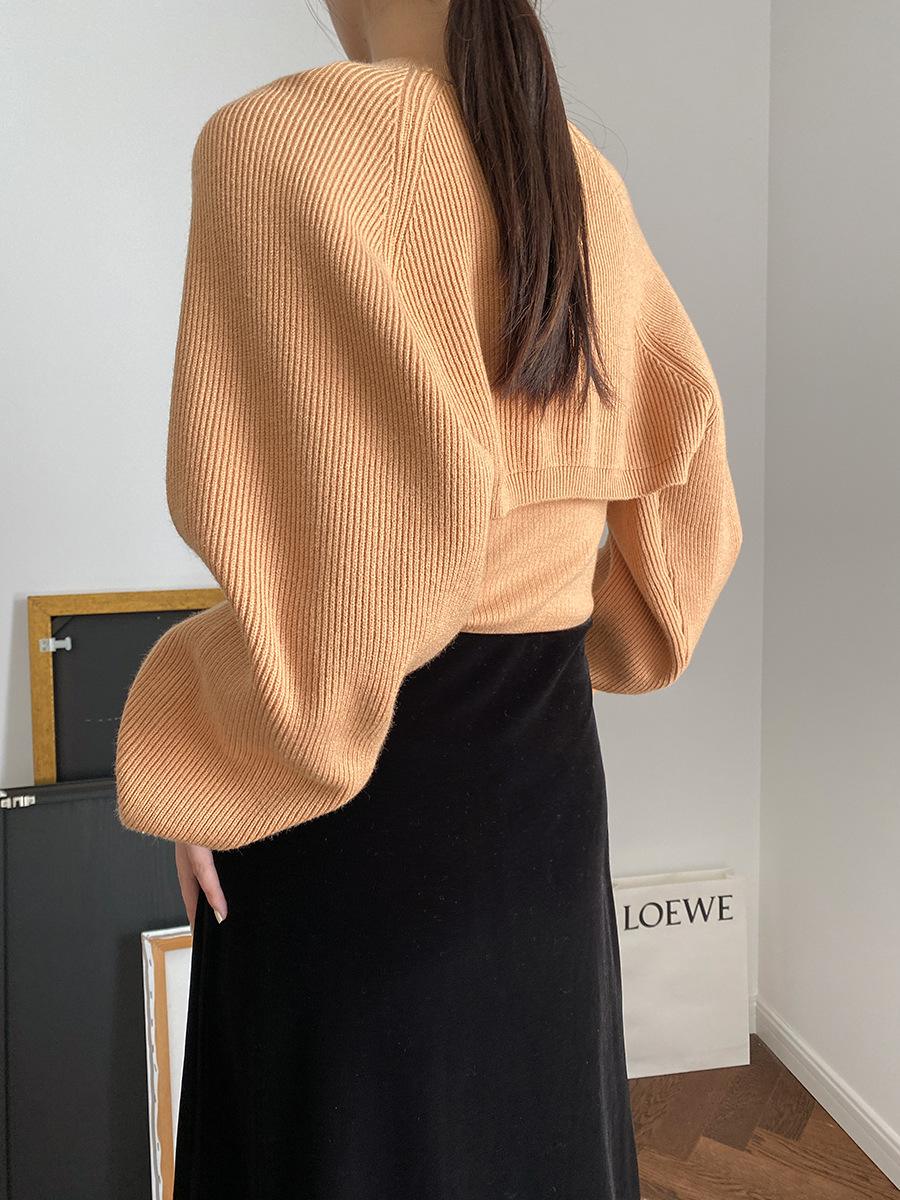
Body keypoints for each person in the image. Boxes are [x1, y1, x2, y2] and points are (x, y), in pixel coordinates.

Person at [115, 0, 743, 1195]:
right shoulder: (578, 176)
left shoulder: (270, 145)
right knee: (535, 1142)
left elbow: (316, 576)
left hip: (348, 818)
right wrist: (554, 598)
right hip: (543, 801)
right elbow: (686, 521)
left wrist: (200, 755)